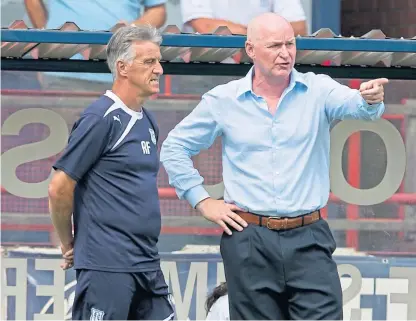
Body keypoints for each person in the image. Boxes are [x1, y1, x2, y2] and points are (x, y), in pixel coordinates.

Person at [160, 12, 388, 320]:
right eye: (275, 46)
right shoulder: (224, 99)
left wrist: (370, 99)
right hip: (249, 237)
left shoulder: (318, 89)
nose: (285, 53)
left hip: (309, 237)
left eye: (290, 44)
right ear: (251, 50)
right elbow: (175, 147)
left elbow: (358, 107)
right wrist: (202, 201)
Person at [48, 25, 174, 320]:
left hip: (147, 263)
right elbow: (59, 187)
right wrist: (69, 242)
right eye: (149, 62)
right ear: (122, 67)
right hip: (107, 265)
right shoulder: (101, 117)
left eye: (158, 61)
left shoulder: (149, 121)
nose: (159, 69)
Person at [181, 0, 307, 36]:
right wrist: (265, 35)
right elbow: (205, 26)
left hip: (260, 69)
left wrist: (255, 35)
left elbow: (298, 28)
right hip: (205, 70)